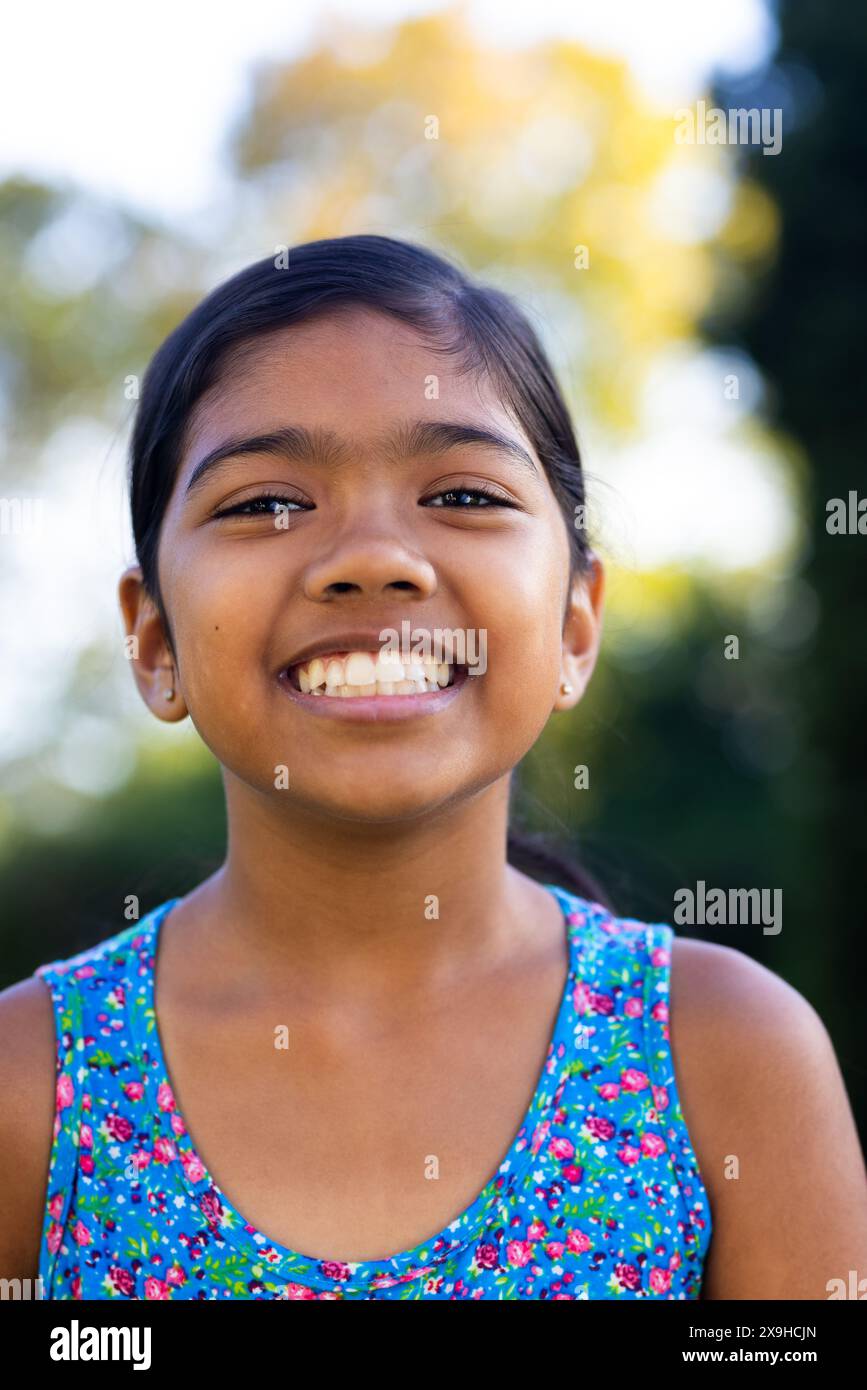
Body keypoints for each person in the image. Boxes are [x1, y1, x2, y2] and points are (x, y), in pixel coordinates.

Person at [1, 235, 865, 1300]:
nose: (373, 557)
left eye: (461, 496)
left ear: (576, 624)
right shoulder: (31, 1090)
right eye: (265, 502)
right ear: (154, 641)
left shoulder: (727, 1057)